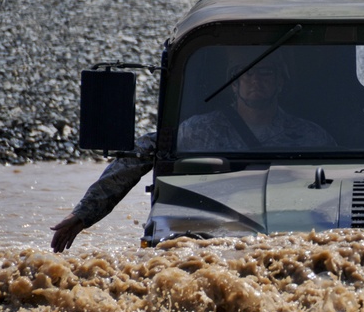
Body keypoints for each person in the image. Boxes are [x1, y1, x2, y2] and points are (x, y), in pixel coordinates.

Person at [50, 54, 335, 253]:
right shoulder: (199, 130)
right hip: (215, 225)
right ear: (233, 85)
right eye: (245, 74)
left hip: (292, 224)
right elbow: (136, 157)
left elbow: (336, 185)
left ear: (280, 82)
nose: (255, 80)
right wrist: (83, 215)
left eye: (265, 73)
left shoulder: (310, 136)